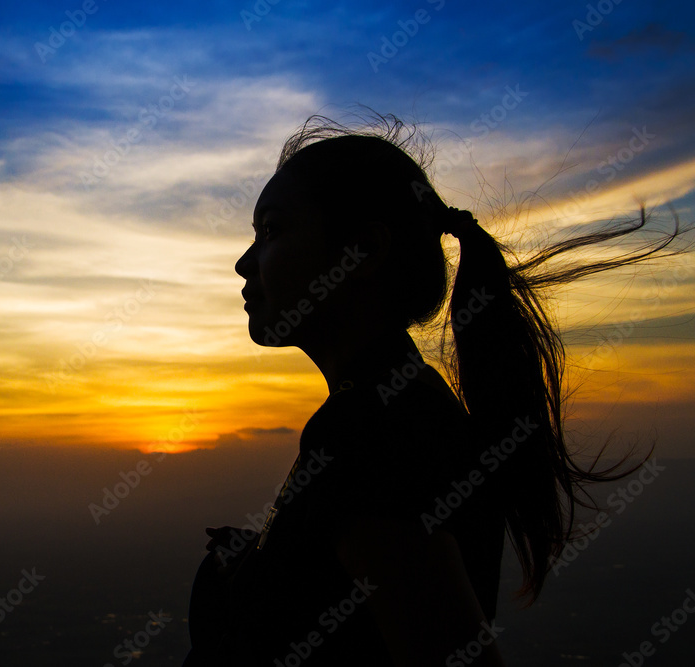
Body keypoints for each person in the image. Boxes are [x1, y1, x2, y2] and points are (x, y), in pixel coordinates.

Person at [183, 112, 685, 666]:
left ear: (365, 251)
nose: (243, 263)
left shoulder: (374, 435)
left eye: (272, 230)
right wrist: (262, 559)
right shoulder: (390, 410)